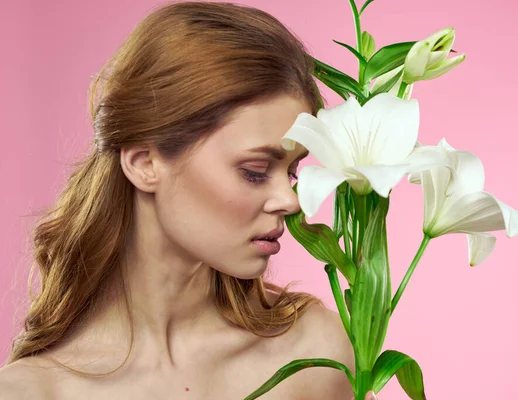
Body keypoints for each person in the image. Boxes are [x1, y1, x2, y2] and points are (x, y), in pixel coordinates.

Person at [0, 2, 379, 399]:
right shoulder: (34, 392)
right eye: (254, 170)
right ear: (145, 162)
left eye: (292, 171)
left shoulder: (318, 353)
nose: (290, 200)